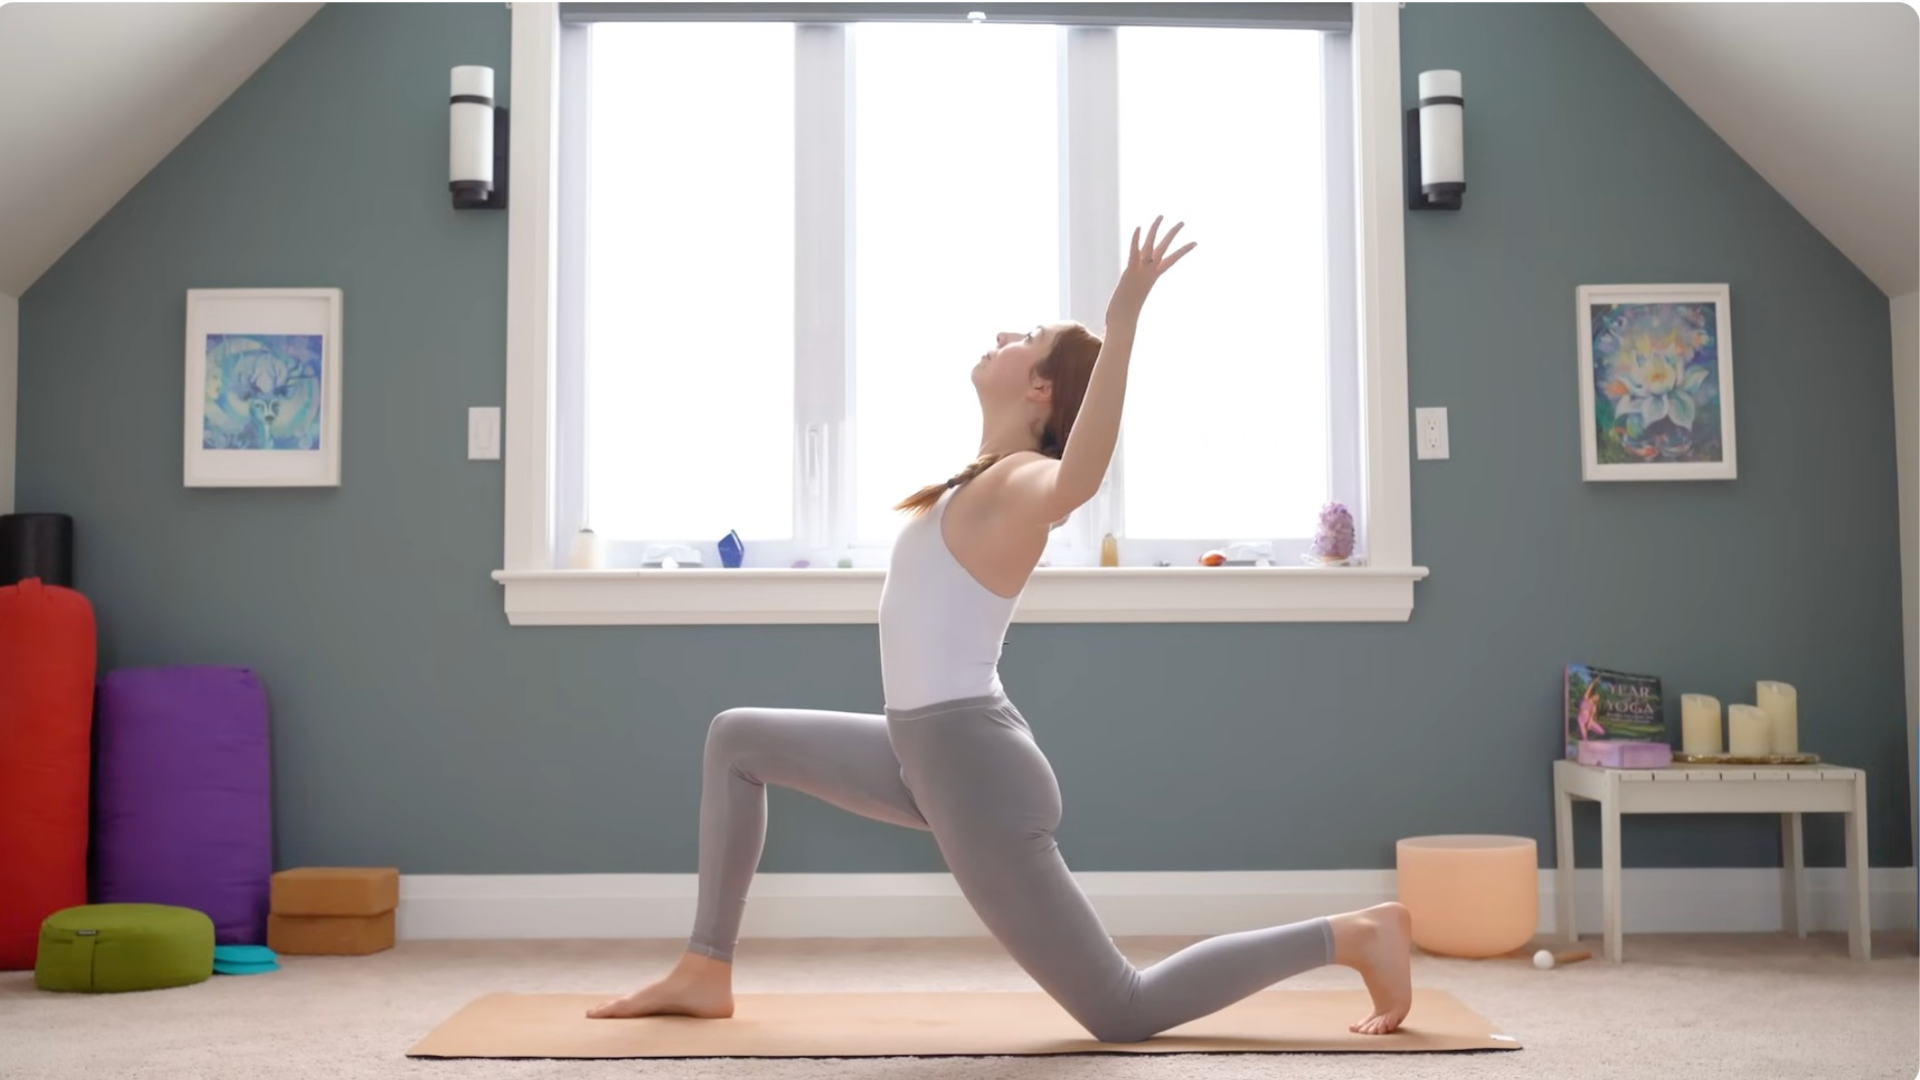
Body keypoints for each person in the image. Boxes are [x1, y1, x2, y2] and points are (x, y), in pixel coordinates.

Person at [587, 217, 1414, 1042]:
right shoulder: (974, 483)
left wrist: (1121, 324)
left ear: (1043, 389)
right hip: (924, 753)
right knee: (737, 740)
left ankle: (1352, 936)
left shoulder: (1023, 481)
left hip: (974, 773)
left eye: (1026, 338)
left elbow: (1078, 479)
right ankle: (705, 968)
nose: (1002, 336)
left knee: (1122, 1010)